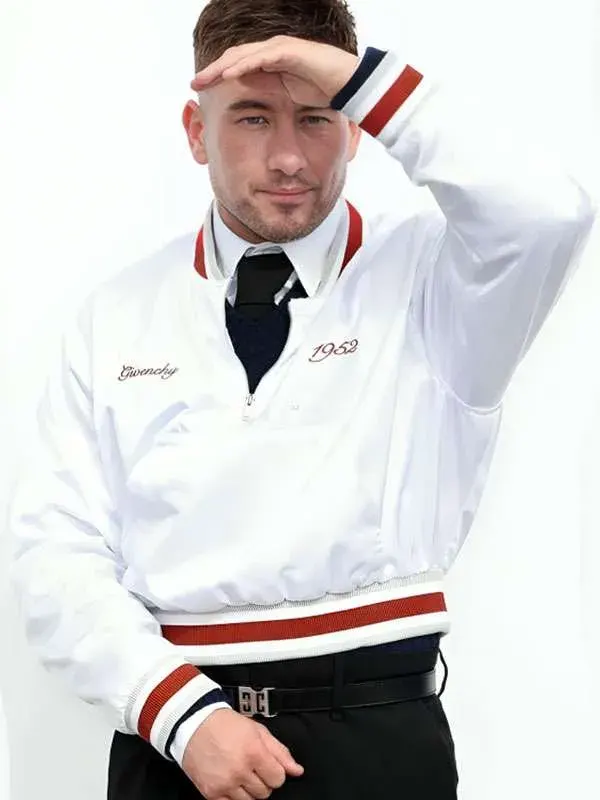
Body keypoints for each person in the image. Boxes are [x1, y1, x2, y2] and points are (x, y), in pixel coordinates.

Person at [8, 0, 595, 798]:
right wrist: (176, 711)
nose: (288, 158)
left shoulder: (439, 284)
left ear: (356, 128)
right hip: (176, 747)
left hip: (378, 749)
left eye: (317, 118)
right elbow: (56, 550)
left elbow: (550, 211)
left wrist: (362, 83)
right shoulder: (117, 316)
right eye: (252, 118)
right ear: (195, 132)